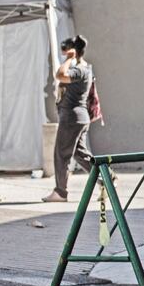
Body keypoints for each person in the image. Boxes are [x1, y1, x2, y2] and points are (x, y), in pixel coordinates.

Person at [43, 35, 97, 203]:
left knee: (61, 154)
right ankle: (107, 178)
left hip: (72, 118)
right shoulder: (85, 69)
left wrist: (68, 59)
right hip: (78, 118)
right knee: (80, 154)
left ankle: (60, 192)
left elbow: (60, 75)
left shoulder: (79, 69)